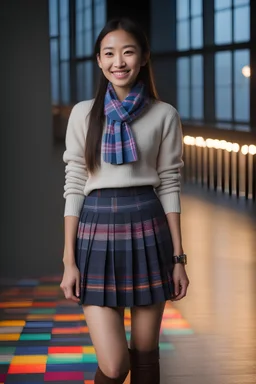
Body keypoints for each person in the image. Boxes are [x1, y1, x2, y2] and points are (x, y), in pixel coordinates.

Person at [60, 17, 189, 384]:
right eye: (109, 53)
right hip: (95, 232)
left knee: (146, 356)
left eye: (128, 52)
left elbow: (168, 184)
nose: (119, 61)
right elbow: (74, 184)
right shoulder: (83, 113)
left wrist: (179, 258)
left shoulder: (164, 114)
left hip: (149, 229)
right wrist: (69, 260)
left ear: (144, 57)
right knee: (116, 365)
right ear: (99, 61)